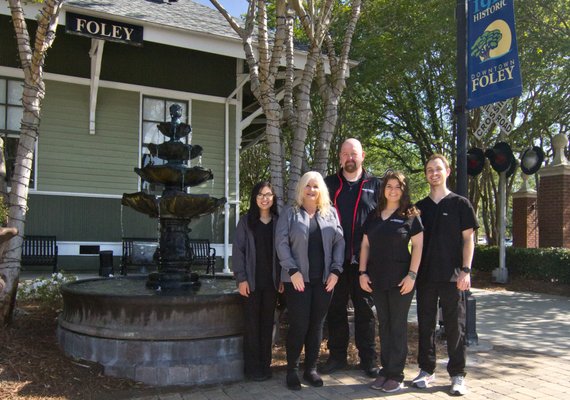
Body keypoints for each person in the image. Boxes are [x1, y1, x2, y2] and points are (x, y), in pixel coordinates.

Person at [412, 154, 478, 396]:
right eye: (429, 170)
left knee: (455, 327)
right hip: (426, 277)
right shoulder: (419, 208)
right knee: (425, 325)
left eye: (438, 169)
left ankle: (458, 375)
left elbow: (468, 239)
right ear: (426, 174)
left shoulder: (461, 204)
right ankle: (426, 370)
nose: (434, 173)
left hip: (454, 277)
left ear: (447, 171)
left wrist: (466, 270)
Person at [275, 171, 345, 390]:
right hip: (297, 280)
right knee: (299, 325)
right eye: (308, 186)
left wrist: (336, 271)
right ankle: (292, 371)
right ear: (301, 189)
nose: (311, 190)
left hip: (324, 280)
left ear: (321, 189)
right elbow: (281, 243)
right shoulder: (290, 213)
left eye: (316, 186)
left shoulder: (330, 213)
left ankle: (311, 369)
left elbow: (339, 243)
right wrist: (292, 270)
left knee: (316, 326)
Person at [359, 171, 423, 393]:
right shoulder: (374, 216)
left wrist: (412, 275)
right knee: (384, 325)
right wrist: (362, 272)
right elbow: (365, 245)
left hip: (401, 281)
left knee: (397, 326)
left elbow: (418, 246)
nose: (393, 190)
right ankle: (385, 371)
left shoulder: (410, 215)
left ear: (403, 190)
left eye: (398, 186)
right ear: (383, 189)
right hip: (377, 279)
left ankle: (396, 374)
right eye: (389, 186)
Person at [322, 138, 381, 377]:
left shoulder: (376, 185)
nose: (349, 158)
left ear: (362, 155)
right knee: (335, 310)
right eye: (345, 153)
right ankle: (337, 357)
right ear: (339, 157)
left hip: (364, 263)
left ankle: (368, 359)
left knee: (365, 311)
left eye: (354, 153)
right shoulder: (327, 184)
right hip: (335, 263)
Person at [232, 181, 282, 381]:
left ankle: (265, 365)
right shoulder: (245, 222)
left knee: (267, 325)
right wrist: (241, 279)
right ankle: (252, 369)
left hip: (271, 284)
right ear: (255, 198)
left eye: (268, 194)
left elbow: (283, 253)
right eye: (261, 194)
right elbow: (238, 252)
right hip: (251, 283)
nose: (264, 198)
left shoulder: (279, 222)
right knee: (252, 325)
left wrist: (281, 279)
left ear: (273, 198)